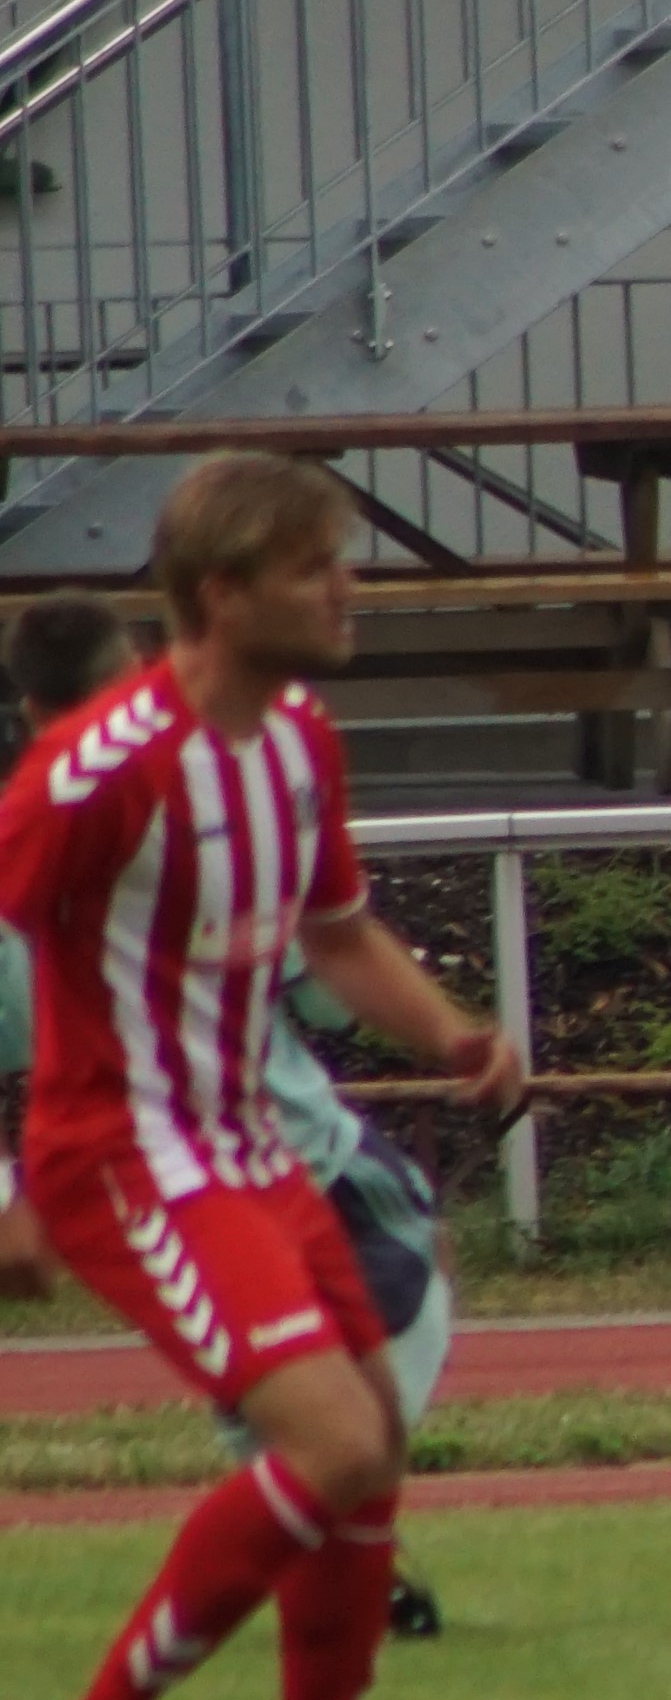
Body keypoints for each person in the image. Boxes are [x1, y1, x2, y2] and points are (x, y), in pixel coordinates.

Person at [6, 456, 523, 1700]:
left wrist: (455, 1036)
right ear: (222, 594)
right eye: (314, 569)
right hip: (127, 1157)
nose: (347, 589)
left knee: (370, 1456)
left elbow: (335, 934)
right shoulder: (99, 771)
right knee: (336, 1442)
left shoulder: (296, 736)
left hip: (242, 1148)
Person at [0, 593, 458, 1643]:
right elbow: (324, 975)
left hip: (135, 1178)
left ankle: (310, 1511)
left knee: (291, 1366)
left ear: (31, 710)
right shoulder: (202, 807)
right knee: (405, 1274)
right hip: (277, 1150)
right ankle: (311, 1522)